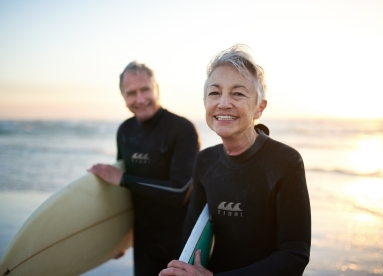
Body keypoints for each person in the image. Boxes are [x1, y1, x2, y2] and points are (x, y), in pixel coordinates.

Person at [159, 45, 311, 276]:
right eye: (214, 93)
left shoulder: (285, 162)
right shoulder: (205, 161)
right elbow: (192, 237)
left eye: (238, 93)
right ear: (205, 104)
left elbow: (295, 255)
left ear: (259, 108)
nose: (223, 103)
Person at [88, 61, 200, 276]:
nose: (140, 99)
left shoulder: (182, 129)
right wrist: (118, 239)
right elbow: (124, 196)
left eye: (145, 90)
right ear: (123, 97)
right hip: (143, 242)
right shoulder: (125, 131)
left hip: (180, 241)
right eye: (131, 93)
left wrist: (123, 178)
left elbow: (180, 192)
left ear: (156, 88)